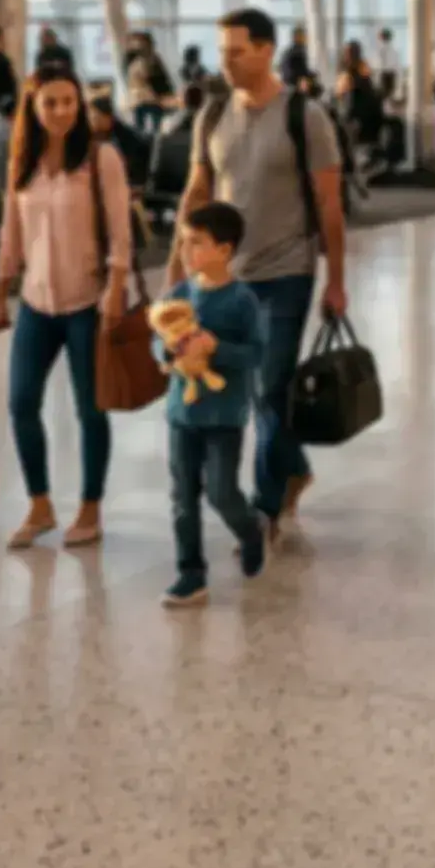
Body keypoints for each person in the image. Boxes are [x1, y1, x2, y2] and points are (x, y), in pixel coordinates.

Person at [173, 8, 349, 542]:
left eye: (236, 51)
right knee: (254, 389)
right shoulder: (212, 114)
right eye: (222, 50)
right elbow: (198, 192)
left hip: (287, 271)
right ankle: (294, 467)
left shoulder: (305, 116)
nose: (224, 61)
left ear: (267, 50)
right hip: (228, 279)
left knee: (271, 386)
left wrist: (336, 279)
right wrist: (180, 266)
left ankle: (265, 507)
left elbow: (329, 204)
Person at [0, 63, 133, 549]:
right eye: (50, 102)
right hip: (35, 300)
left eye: (69, 101)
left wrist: (117, 286)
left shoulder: (100, 158)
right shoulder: (21, 162)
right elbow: (11, 235)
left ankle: (90, 508)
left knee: (91, 409)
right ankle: (40, 505)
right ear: (33, 106)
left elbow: (120, 231)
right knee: (21, 402)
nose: (61, 111)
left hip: (86, 302)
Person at [155, 201, 269, 607]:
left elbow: (256, 353)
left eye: (197, 243)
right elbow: (159, 339)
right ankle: (191, 572)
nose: (187, 252)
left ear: (224, 250)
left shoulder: (242, 301)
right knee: (182, 495)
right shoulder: (178, 294)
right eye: (184, 242)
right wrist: (169, 354)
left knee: (221, 492)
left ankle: (251, 529)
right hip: (182, 414)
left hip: (223, 415)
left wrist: (217, 348)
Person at [87, 96, 150, 186]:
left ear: (108, 118)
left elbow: (129, 169)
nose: (91, 122)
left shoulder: (126, 138)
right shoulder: (92, 136)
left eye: (95, 118)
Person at [124, 31, 175, 137]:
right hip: (140, 99)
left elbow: (161, 79)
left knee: (153, 128)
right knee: (140, 129)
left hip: (152, 98)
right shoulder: (131, 59)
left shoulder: (153, 59)